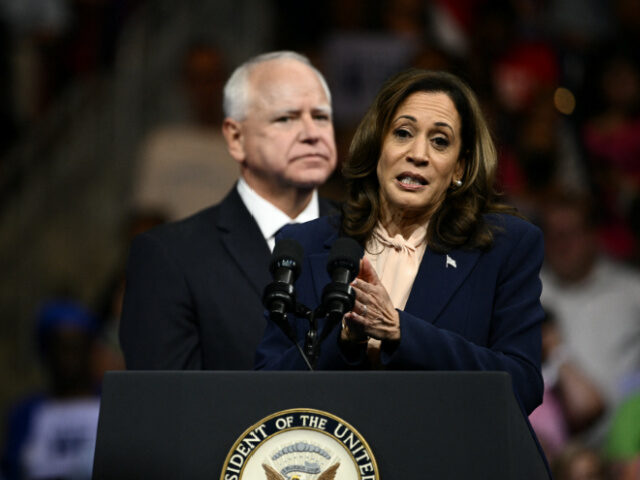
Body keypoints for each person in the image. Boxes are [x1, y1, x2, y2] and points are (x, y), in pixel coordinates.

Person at [255, 68, 545, 417]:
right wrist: (344, 341)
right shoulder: (305, 243)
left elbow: (521, 385)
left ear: (460, 168)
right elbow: (267, 389)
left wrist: (399, 330)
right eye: (403, 133)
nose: (418, 153)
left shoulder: (504, 247)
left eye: (440, 141)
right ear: (378, 146)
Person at [119, 51, 338, 370]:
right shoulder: (168, 258)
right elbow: (165, 410)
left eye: (320, 116)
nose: (309, 133)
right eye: (285, 117)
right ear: (236, 138)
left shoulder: (373, 240)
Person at [1, 298, 101, 480]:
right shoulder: (26, 414)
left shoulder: (110, 405)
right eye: (62, 348)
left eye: (77, 347)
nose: (70, 359)